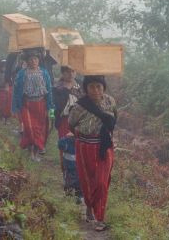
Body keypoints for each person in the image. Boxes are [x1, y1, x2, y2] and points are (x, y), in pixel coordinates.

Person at [68, 75, 117, 231]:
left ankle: (100, 218)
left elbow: (113, 120)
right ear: (86, 88)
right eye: (91, 87)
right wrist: (83, 136)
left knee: (102, 183)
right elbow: (71, 124)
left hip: (104, 146)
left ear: (104, 87)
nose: (95, 90)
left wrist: (108, 136)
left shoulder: (110, 101)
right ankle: (89, 205)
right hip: (85, 147)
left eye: (98, 86)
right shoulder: (80, 106)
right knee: (87, 181)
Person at [12, 49, 54, 161]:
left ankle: (35, 153)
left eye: (35, 59)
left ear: (39, 60)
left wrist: (51, 108)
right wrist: (16, 107)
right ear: (27, 61)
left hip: (41, 104)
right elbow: (16, 91)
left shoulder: (44, 73)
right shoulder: (22, 73)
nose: (33, 61)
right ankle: (30, 151)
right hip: (27, 104)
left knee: (39, 129)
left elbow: (49, 89)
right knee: (29, 128)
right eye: (30, 59)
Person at [53, 66, 82, 171]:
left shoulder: (81, 86)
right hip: (64, 120)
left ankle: (78, 170)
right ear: (63, 73)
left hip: (80, 121)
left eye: (73, 71)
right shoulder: (57, 88)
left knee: (79, 144)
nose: (71, 74)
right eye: (67, 72)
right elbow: (56, 106)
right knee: (65, 144)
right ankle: (65, 169)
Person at [58, 132, 82, 203]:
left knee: (75, 180)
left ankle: (76, 196)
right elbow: (61, 148)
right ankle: (73, 195)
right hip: (71, 164)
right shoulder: (66, 140)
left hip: (75, 163)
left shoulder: (65, 140)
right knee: (72, 179)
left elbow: (61, 152)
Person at [0, 59, 12, 123]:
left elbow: (11, 80)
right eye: (3, 65)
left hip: (8, 89)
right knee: (2, 103)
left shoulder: (8, 72)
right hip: (0, 89)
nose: (4, 66)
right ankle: (1, 116)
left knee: (8, 104)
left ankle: (7, 117)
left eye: (5, 65)